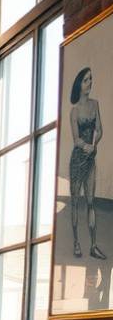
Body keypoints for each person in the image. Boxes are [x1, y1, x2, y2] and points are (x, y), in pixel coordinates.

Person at [68, 66, 105, 259]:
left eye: (91, 79)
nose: (90, 83)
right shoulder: (74, 112)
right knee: (75, 202)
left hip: (90, 160)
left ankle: (93, 245)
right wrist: (86, 146)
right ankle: (76, 243)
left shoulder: (95, 104)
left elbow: (99, 129)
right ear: (79, 85)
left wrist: (94, 143)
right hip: (77, 160)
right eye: (86, 80)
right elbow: (76, 139)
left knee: (91, 202)